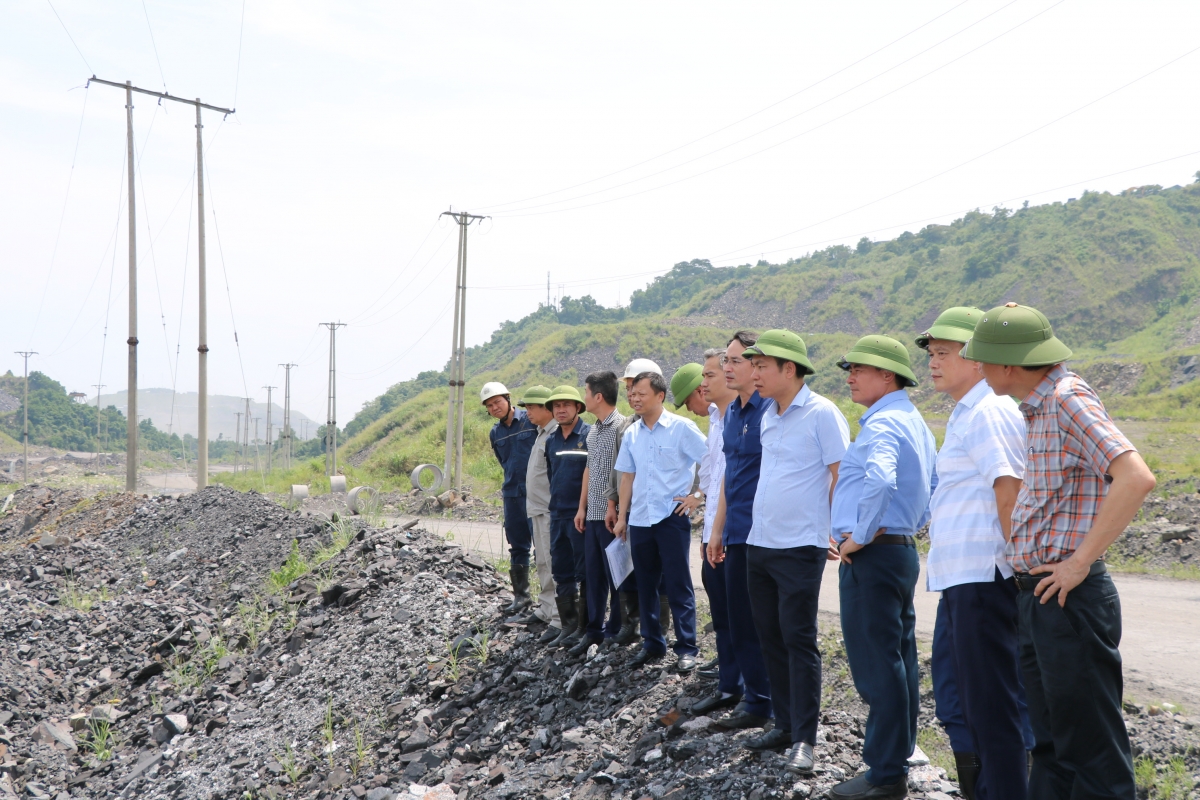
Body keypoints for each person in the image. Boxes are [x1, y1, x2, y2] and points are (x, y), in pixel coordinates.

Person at [962, 303, 1156, 800]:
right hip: (1041, 595)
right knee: (1051, 746)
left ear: (1008, 364)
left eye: (983, 359)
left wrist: (1078, 561)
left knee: (1089, 749)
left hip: (1069, 596)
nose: (979, 370)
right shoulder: (1037, 408)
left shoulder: (1068, 399)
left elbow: (1134, 477)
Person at [918, 307, 1031, 800]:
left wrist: (1018, 572)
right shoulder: (968, 411)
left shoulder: (990, 411)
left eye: (944, 353)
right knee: (968, 698)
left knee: (995, 704)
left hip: (988, 575)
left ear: (978, 358)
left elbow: (1010, 492)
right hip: (964, 577)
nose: (933, 363)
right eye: (932, 354)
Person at [829, 335, 937, 800]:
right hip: (899, 549)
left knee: (877, 663)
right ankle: (901, 754)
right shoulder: (913, 421)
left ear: (887, 376)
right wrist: (910, 523)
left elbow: (879, 479)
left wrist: (860, 534)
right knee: (899, 657)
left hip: (873, 554)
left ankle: (884, 773)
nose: (850, 376)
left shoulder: (882, 425)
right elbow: (932, 481)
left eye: (859, 369)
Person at [743, 330, 850, 777]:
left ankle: (805, 738)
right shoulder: (769, 413)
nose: (754, 374)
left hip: (800, 546)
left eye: (762, 366)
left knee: (798, 639)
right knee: (769, 636)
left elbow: (842, 474)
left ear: (790, 369)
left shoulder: (823, 413)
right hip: (760, 542)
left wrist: (833, 530)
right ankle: (783, 725)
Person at [613, 371, 709, 671]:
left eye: (641, 393)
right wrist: (622, 517)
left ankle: (687, 648)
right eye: (632, 394)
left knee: (679, 584)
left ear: (660, 396)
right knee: (646, 584)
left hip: (671, 518)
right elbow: (627, 477)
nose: (634, 398)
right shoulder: (631, 433)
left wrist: (698, 495)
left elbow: (713, 462)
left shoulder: (682, 428)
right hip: (640, 519)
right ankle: (653, 643)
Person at [707, 331, 775, 738]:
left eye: (735, 361)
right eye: (726, 361)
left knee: (766, 623)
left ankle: (769, 703)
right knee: (739, 621)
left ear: (758, 365)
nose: (728, 368)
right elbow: (730, 478)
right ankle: (753, 700)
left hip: (767, 534)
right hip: (735, 533)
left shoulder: (773, 411)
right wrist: (716, 530)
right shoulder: (733, 413)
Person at [676, 353, 742, 716]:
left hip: (731, 533)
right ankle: (729, 682)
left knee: (739, 615)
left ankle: (745, 687)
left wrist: (719, 530)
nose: (703, 384)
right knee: (722, 612)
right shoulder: (718, 419)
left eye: (710, 375)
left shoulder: (742, 417)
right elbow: (712, 479)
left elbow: (737, 481)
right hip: (713, 532)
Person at [608, 358, 672, 641]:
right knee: (631, 568)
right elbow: (619, 471)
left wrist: (693, 497)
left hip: (661, 512)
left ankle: (662, 627)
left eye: (637, 387)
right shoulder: (626, 428)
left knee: (663, 572)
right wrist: (614, 504)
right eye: (629, 388)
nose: (632, 393)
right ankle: (632, 622)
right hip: (631, 510)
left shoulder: (672, 426)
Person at [569, 371, 631, 656]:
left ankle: (615, 630)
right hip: (592, 513)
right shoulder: (594, 430)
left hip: (611, 514)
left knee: (617, 574)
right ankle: (593, 630)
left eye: (585, 392)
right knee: (593, 577)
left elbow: (623, 472)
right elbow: (589, 470)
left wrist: (617, 510)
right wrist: (581, 507)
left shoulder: (622, 427)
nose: (584, 398)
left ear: (598, 396)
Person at [482, 381, 538, 615]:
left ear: (508, 398)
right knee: (517, 546)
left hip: (536, 494)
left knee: (545, 548)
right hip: (512, 495)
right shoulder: (495, 433)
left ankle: (552, 602)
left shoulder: (530, 420)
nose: (495, 407)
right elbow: (503, 463)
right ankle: (521, 597)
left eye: (497, 402)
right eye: (490, 405)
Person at [543, 385, 591, 648]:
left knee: (583, 573)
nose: (561, 410)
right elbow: (553, 476)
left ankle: (584, 628)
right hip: (557, 514)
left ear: (578, 408)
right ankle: (568, 627)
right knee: (561, 572)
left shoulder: (589, 436)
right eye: (556, 406)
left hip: (580, 516)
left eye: (566, 405)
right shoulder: (551, 441)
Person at [515, 385, 562, 642]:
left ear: (547, 408)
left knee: (554, 562)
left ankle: (558, 615)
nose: (528, 412)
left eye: (532, 407)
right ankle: (545, 608)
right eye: (526, 408)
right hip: (537, 509)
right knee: (542, 561)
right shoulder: (540, 433)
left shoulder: (556, 435)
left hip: (549, 510)